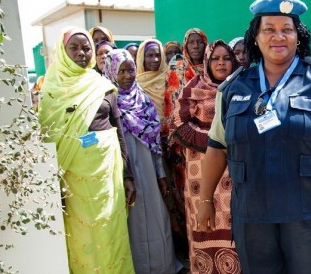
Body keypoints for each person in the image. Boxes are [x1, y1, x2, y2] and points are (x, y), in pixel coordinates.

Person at [197, 0, 311, 273]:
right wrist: (205, 200)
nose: (279, 36)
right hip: (252, 217)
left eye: (287, 29)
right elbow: (217, 147)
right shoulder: (232, 88)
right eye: (269, 29)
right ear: (255, 37)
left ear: (298, 36)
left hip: (309, 215)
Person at [37, 27, 135, 273]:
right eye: (75, 48)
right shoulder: (51, 90)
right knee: (82, 236)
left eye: (86, 48)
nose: (81, 53)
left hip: (107, 174)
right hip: (73, 178)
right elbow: (47, 136)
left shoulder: (101, 85)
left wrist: (128, 174)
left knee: (110, 230)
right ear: (63, 51)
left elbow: (118, 129)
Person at [102, 49, 184, 274]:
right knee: (132, 222)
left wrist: (160, 174)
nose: (127, 76)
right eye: (122, 71)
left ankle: (161, 266)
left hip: (148, 169)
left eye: (130, 70)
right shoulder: (108, 102)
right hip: (123, 171)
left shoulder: (142, 99)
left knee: (156, 216)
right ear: (111, 72)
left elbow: (155, 142)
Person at [168, 39, 241, 274]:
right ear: (208, 62)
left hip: (233, 169)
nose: (221, 63)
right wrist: (213, 142)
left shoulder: (241, 87)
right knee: (204, 221)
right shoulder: (193, 87)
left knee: (232, 222)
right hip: (201, 171)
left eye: (226, 58)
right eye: (216, 59)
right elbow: (178, 122)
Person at [163, 28, 208, 258]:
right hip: (184, 142)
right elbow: (172, 101)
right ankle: (189, 242)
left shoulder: (212, 65)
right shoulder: (178, 68)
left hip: (210, 141)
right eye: (191, 43)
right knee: (187, 192)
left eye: (199, 42)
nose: (195, 47)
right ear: (185, 45)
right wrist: (182, 136)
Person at [136, 39, 167, 120]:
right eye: (150, 56)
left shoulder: (170, 78)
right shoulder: (135, 84)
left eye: (158, 55)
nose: (155, 60)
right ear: (142, 58)